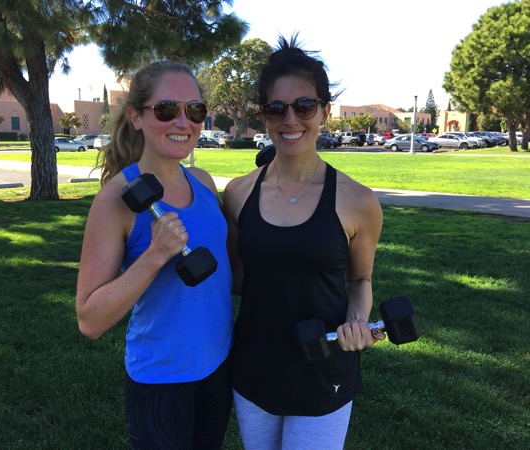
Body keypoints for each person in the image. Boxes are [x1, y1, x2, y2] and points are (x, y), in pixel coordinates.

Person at [222, 36, 384, 450]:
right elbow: (236, 278)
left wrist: (356, 320)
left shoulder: (358, 201)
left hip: (324, 369)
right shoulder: (238, 193)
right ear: (264, 116)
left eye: (304, 106)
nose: (290, 119)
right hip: (254, 366)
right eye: (276, 108)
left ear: (324, 112)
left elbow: (359, 281)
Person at [75, 60, 234, 449]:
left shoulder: (203, 181)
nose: (184, 122)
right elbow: (90, 320)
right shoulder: (115, 199)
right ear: (137, 117)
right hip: (162, 380)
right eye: (167, 109)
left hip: (219, 365)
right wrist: (154, 254)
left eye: (194, 110)